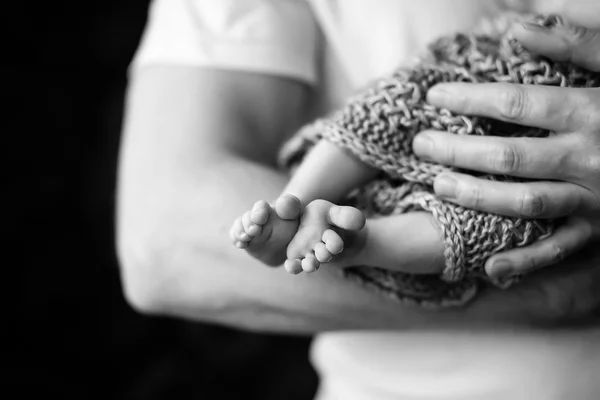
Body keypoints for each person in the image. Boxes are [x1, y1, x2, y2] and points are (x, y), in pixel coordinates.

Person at [117, 0, 600, 398]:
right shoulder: (502, 38)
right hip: (463, 101)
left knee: (499, 213)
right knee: (390, 112)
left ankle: (369, 240)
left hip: (525, 191)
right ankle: (301, 203)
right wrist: (563, 295)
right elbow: (160, 241)